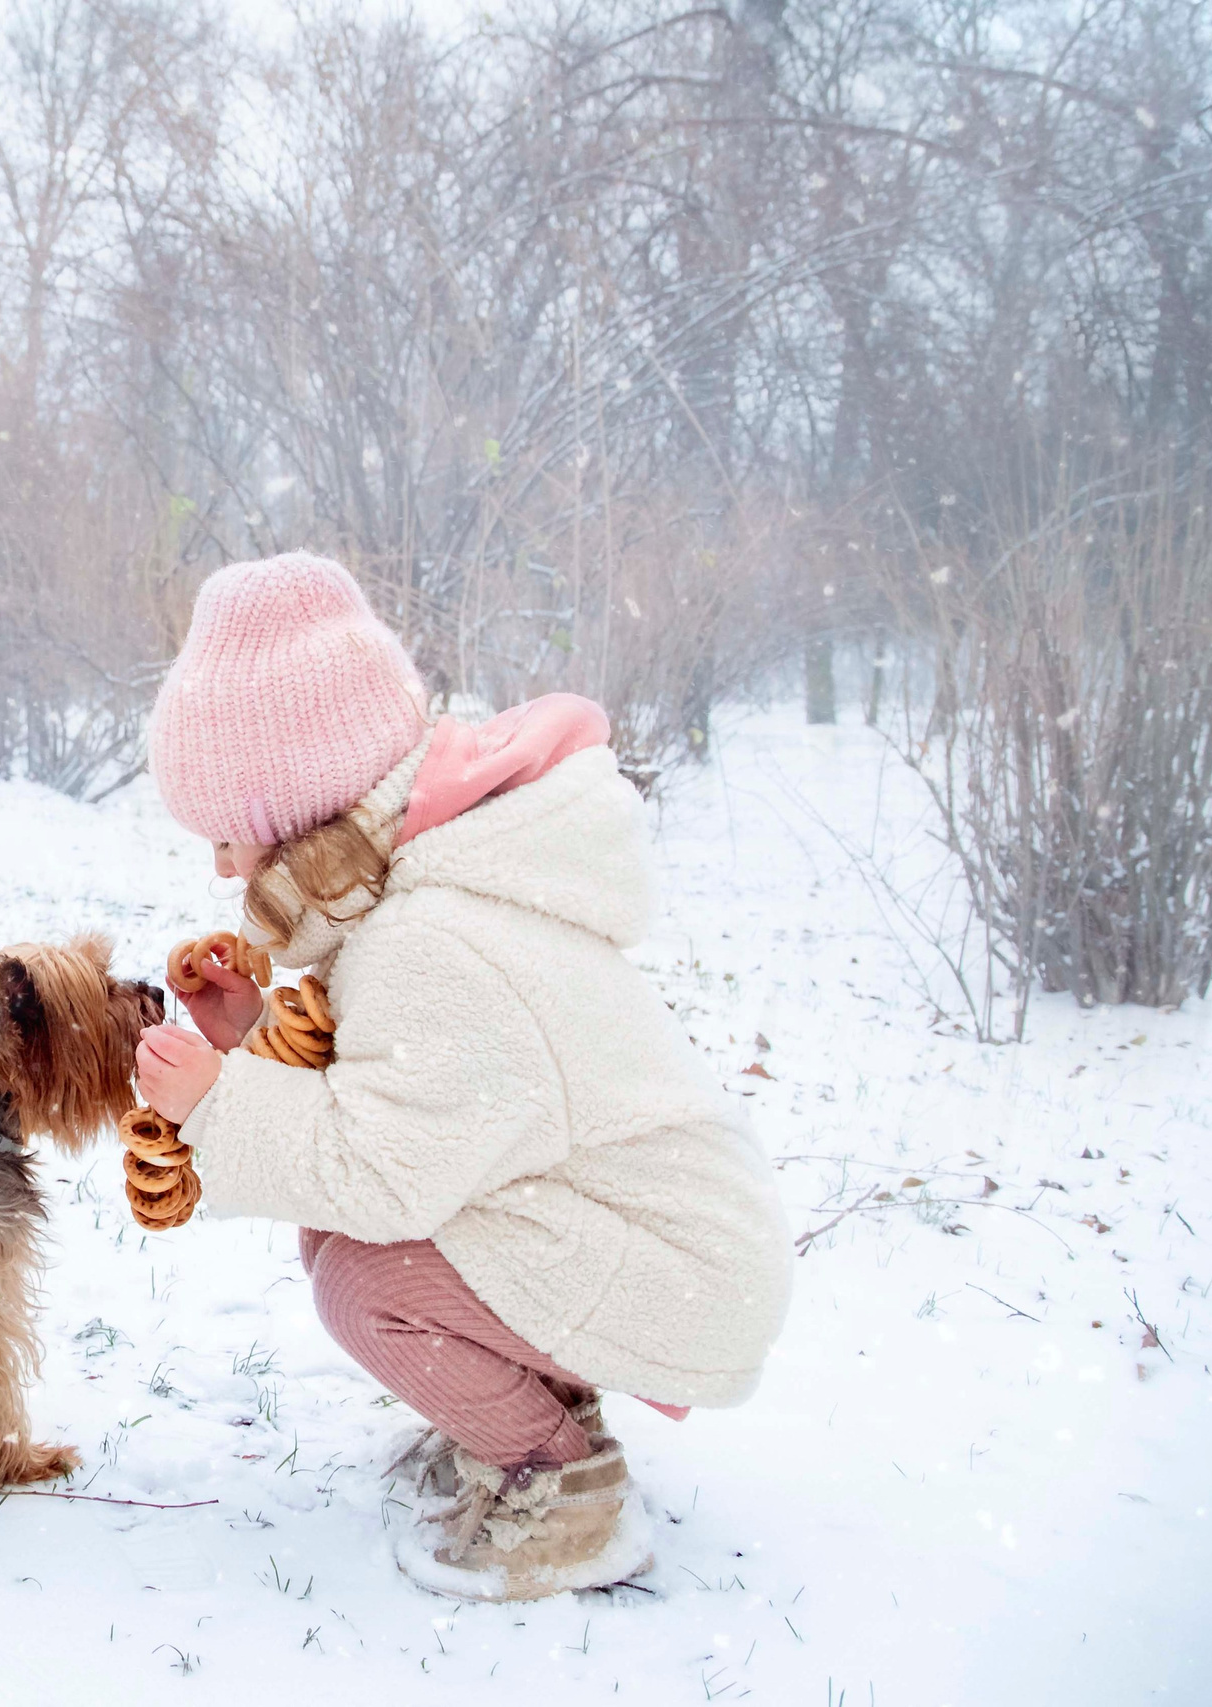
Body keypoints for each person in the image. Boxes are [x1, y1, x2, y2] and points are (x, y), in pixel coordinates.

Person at [130, 552, 791, 1602]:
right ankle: (527, 1411)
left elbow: (387, 1172)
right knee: (357, 1244)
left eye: (225, 835)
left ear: (297, 809)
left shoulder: (432, 938)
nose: (218, 868)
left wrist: (212, 1102)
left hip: (681, 1273)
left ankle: (561, 1486)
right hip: (641, 1234)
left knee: (366, 1276)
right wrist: (252, 1032)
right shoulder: (420, 899)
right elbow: (423, 1097)